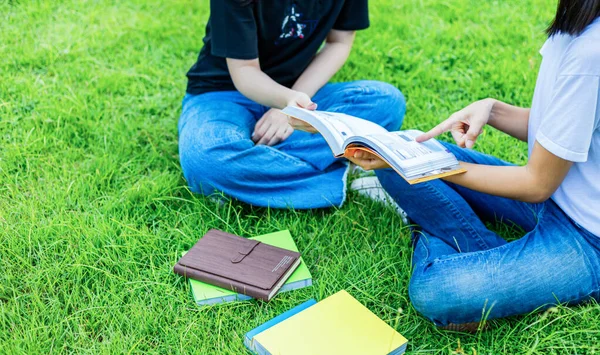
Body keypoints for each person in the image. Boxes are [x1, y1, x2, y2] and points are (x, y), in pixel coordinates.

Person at [323, 0, 600, 331]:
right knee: (403, 150)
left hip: (587, 236)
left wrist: (432, 169)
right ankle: (490, 257)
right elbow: (560, 130)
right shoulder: (576, 27)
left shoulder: (590, 54)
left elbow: (536, 184)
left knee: (437, 290)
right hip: (558, 197)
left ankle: (450, 245)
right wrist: (492, 109)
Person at [178, 0, 406, 209]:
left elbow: (340, 42)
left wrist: (293, 105)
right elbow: (244, 71)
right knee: (207, 159)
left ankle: (254, 173)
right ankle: (339, 173)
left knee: (386, 101)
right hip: (224, 93)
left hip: (299, 90)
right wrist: (286, 102)